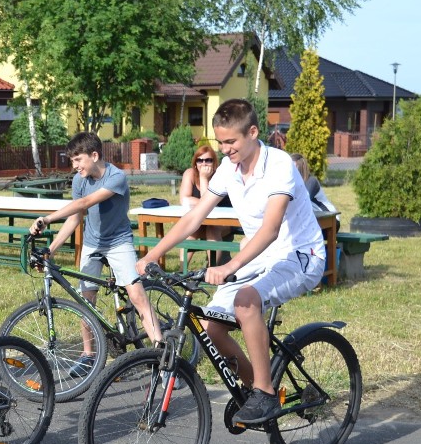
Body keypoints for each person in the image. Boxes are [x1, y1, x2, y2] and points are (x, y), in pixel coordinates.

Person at [136, 99, 326, 425]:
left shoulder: (279, 165)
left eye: (231, 142)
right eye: (220, 142)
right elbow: (194, 216)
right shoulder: (229, 168)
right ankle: (260, 390)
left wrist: (228, 266)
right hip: (259, 257)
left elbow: (269, 230)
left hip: (300, 255)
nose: (225, 149)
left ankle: (265, 393)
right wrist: (151, 255)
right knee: (211, 329)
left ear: (253, 132)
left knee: (245, 300)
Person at [29, 131, 163, 378]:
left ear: (94, 155)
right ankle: (88, 356)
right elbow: (76, 217)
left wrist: (47, 218)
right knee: (85, 299)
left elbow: (84, 204)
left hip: (118, 242)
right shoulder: (80, 180)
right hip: (92, 243)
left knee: (137, 296)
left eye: (78, 160)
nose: (74, 166)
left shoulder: (116, 177)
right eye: (72, 161)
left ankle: (163, 360)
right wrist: (51, 249)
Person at [178, 145, 232, 265]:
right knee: (191, 229)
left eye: (208, 160)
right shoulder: (190, 173)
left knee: (212, 229)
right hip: (201, 221)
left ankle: (211, 270)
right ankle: (182, 272)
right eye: (200, 160)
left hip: (224, 222)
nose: (204, 163)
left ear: (214, 163)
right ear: (195, 162)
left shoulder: (220, 176)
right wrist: (205, 204)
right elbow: (184, 199)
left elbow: (207, 201)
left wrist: (203, 178)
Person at [290, 153, 340, 229]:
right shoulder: (292, 183)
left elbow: (301, 201)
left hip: (331, 219)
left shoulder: (311, 181)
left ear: (300, 168)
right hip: (316, 220)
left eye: (293, 167)